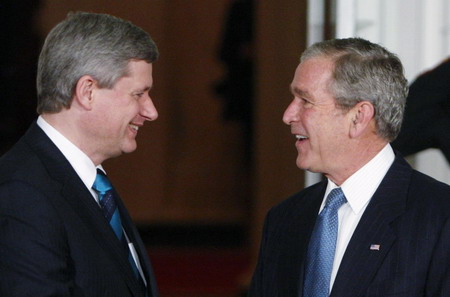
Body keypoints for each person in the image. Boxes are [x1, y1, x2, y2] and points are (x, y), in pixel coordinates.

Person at [248, 38, 450, 297]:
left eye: (305, 101)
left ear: (358, 117)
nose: (288, 115)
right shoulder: (284, 219)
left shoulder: (440, 219)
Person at [0, 12, 160, 297]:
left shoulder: (92, 184)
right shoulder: (21, 194)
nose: (151, 111)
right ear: (87, 91)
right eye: (139, 94)